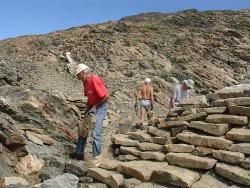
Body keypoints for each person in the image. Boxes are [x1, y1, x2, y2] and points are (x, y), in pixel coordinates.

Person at [70, 63, 109, 163]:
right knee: (83, 129)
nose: (78, 78)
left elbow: (106, 96)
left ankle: (97, 158)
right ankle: (79, 153)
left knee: (96, 132)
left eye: (79, 76)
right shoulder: (85, 82)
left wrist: (95, 106)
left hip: (100, 107)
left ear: (83, 73)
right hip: (92, 106)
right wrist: (88, 107)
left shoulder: (95, 80)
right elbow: (89, 97)